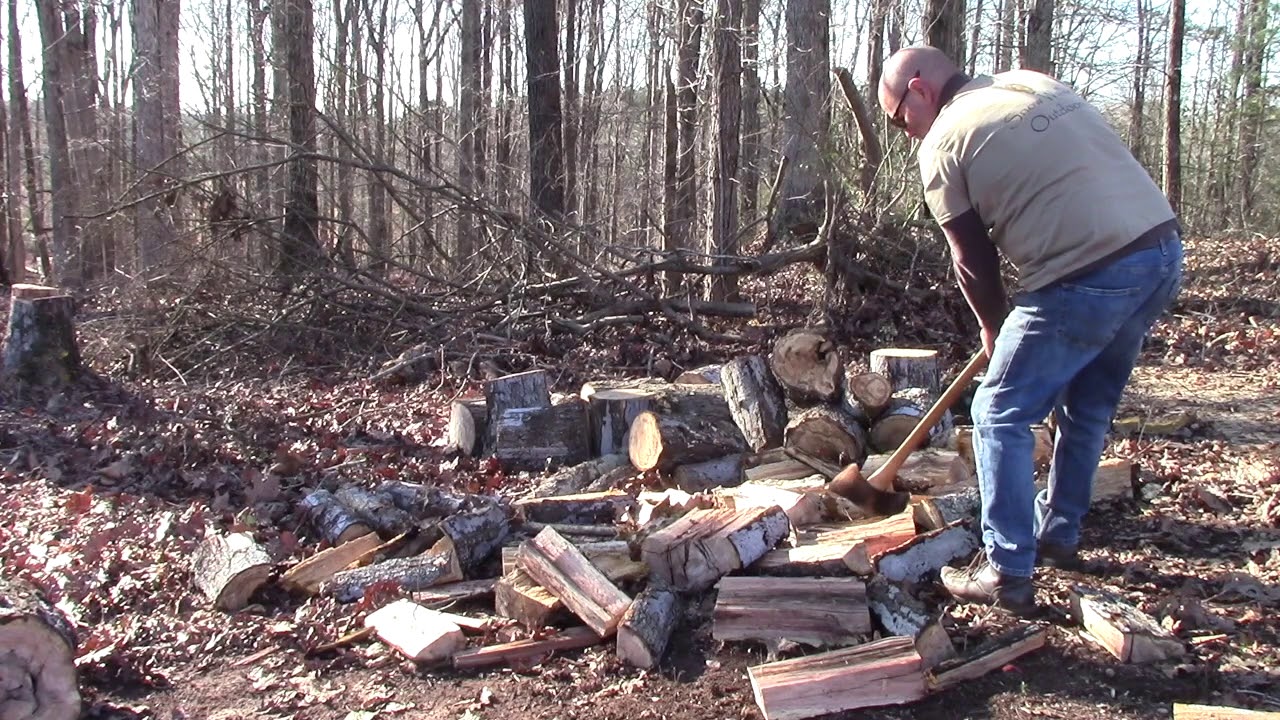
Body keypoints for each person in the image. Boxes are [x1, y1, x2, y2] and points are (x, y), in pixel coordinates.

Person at [877, 46, 1184, 616]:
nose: (906, 133)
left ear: (919, 88)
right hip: (1160, 254)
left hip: (1089, 273)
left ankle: (1007, 569)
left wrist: (994, 329)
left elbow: (972, 261)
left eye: (900, 118)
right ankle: (1059, 536)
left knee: (998, 411)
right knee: (1087, 405)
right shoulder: (1027, 81)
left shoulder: (944, 140)